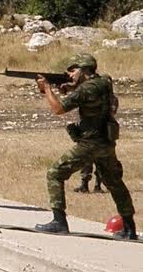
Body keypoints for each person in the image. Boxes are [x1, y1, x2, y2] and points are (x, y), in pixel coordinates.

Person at [34, 53, 136, 239]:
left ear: (84, 70)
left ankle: (59, 221)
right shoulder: (105, 81)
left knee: (55, 173)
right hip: (106, 141)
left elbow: (58, 109)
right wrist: (73, 86)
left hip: (89, 143)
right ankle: (129, 228)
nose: (69, 73)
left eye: (73, 70)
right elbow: (96, 90)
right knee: (115, 183)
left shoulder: (85, 90)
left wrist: (47, 89)